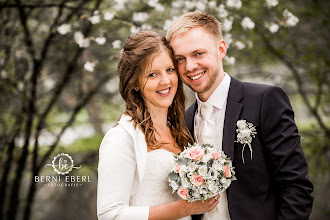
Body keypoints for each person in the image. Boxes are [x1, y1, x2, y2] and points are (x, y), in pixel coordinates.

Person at [166, 11, 314, 220]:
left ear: (221, 49)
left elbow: (296, 187)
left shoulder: (264, 100)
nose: (190, 66)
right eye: (180, 59)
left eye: (198, 53)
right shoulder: (184, 121)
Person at [97, 31, 220, 220]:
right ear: (135, 83)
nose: (165, 81)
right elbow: (110, 214)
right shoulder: (122, 137)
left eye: (170, 70)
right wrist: (183, 209)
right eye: (152, 74)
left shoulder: (181, 129)